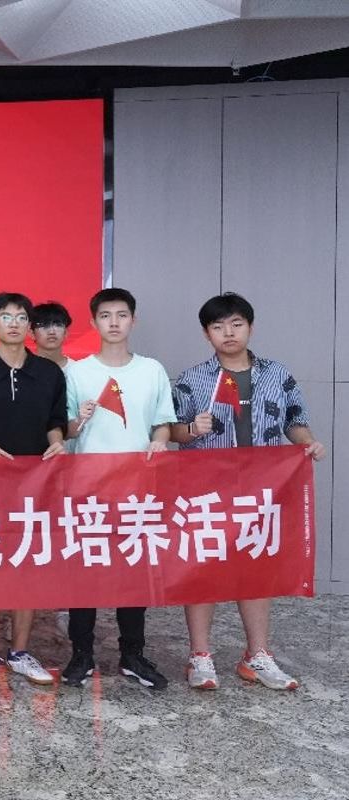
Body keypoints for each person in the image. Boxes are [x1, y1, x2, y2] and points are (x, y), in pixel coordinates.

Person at [170, 292, 325, 692]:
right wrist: (192, 430)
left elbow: (295, 420)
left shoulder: (277, 374)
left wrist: (307, 442)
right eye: (218, 326)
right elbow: (172, 430)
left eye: (236, 324)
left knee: (256, 567)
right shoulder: (192, 378)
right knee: (203, 568)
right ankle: (200, 656)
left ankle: (256, 655)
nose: (228, 333)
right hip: (207, 491)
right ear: (206, 334)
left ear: (250, 327)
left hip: (261, 490)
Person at [61, 287, 175, 690]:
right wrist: (79, 419)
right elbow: (66, 431)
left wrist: (160, 441)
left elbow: (162, 422)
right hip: (87, 490)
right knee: (85, 574)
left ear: (133, 321)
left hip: (137, 489)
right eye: (105, 315)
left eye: (121, 315)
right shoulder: (77, 372)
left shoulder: (152, 370)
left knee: (134, 573)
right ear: (93, 322)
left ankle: (132, 654)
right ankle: (81, 654)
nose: (114, 322)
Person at [0, 293, 64, 688]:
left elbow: (55, 421)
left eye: (21, 317)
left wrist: (58, 443)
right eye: (6, 317)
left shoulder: (49, 373)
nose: (14, 324)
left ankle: (19, 651)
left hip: (36, 485)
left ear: (29, 326)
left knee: (26, 566)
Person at [31, 301, 73, 368]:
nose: (51, 332)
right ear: (32, 333)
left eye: (58, 325)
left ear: (66, 332)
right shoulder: (21, 370)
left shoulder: (78, 370)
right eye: (44, 325)